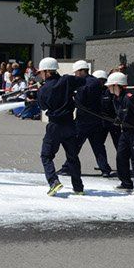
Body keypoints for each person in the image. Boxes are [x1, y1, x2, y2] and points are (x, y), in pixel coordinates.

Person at [36, 57, 86, 196]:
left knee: (46, 155)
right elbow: (82, 81)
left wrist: (40, 90)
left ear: (47, 72)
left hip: (55, 126)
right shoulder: (67, 80)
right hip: (70, 124)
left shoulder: (43, 89)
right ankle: (78, 188)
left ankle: (53, 182)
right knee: (72, 157)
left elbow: (43, 107)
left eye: (41, 72)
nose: (40, 75)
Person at [60, 60, 112, 178]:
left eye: (76, 72)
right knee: (98, 146)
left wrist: (73, 94)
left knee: (74, 145)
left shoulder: (85, 83)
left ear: (82, 71)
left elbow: (81, 99)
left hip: (83, 120)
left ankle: (67, 168)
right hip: (96, 119)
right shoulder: (95, 81)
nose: (75, 75)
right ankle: (105, 169)